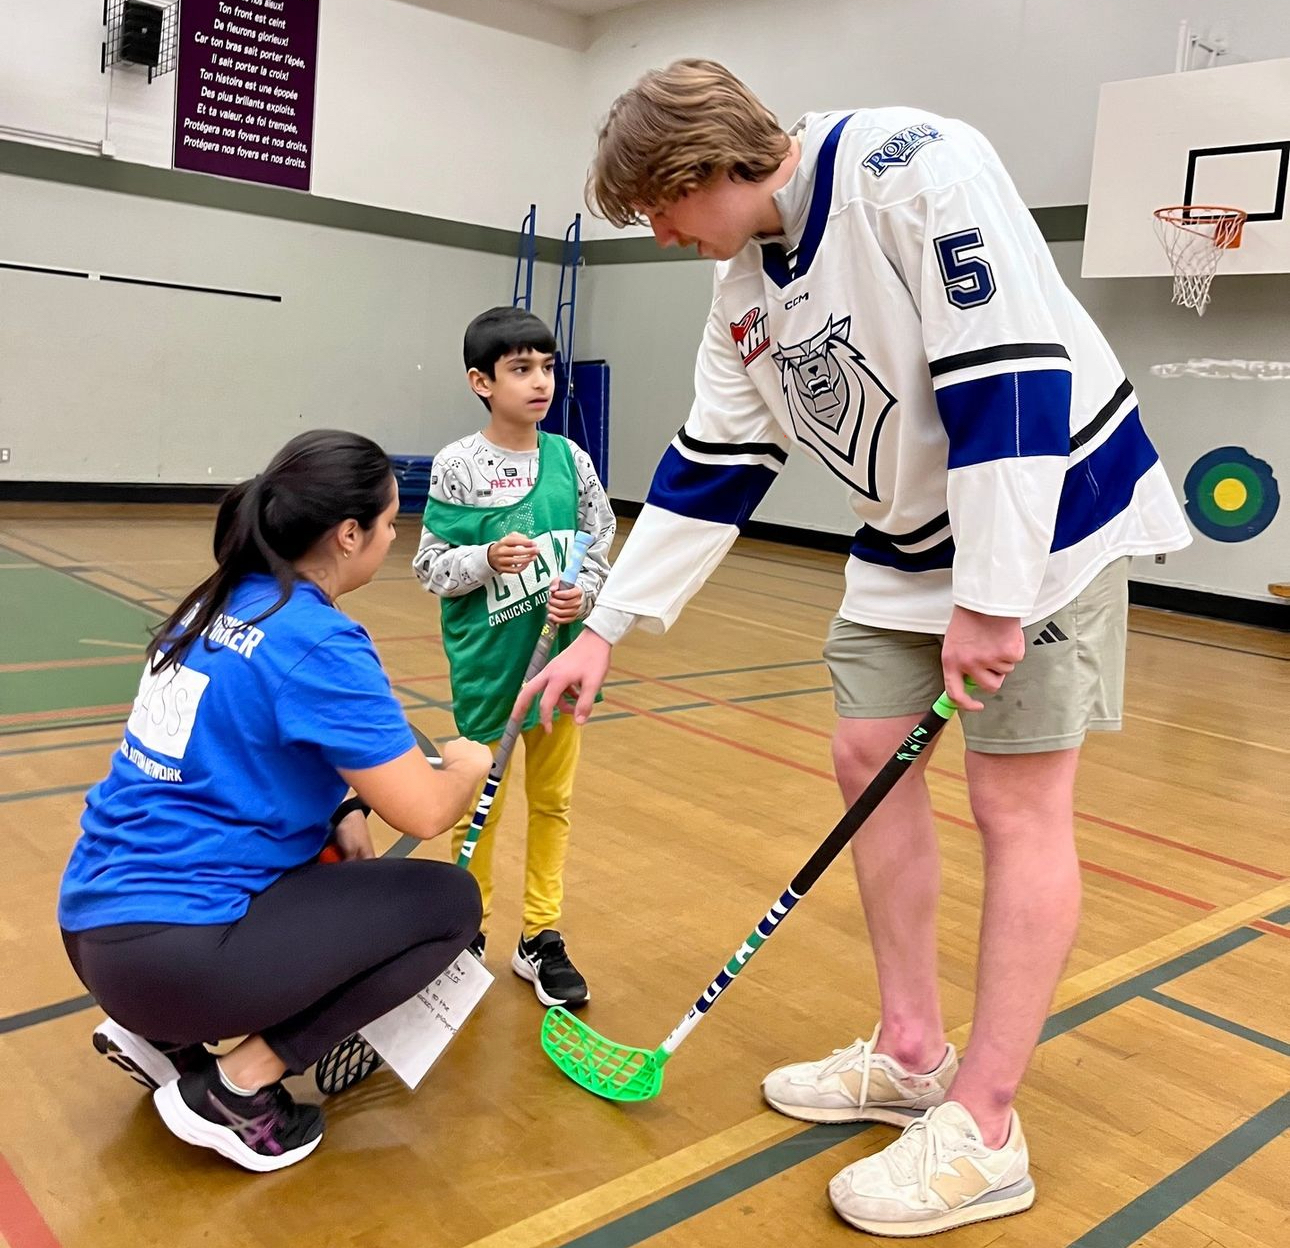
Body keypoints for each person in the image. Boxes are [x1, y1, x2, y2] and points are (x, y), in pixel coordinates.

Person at [518, 60, 1191, 1237]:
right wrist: (608, 630)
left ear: (702, 169)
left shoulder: (911, 168)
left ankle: (985, 1126)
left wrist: (992, 593)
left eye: (661, 211)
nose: (663, 236)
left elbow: (1013, 377)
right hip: (912, 542)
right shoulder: (741, 291)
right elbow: (714, 465)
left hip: (1047, 518)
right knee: (864, 756)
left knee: (1016, 806)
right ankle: (914, 1048)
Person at [58, 430, 494, 1173]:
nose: (393, 537)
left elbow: (233, 752)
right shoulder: (316, 639)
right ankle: (239, 1090)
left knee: (333, 865)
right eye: (391, 524)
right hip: (180, 956)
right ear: (348, 533)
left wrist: (341, 809)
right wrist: (467, 762)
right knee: (448, 903)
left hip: (94, 930)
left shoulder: (218, 603)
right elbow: (423, 812)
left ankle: (161, 1038)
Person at [413, 307, 615, 1007]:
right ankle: (463, 930)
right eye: (520, 369)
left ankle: (540, 937)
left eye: (547, 367)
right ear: (481, 381)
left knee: (552, 803)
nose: (540, 382)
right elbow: (432, 568)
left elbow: (599, 546)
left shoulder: (571, 461)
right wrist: (486, 558)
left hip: (555, 669)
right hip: (488, 670)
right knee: (480, 806)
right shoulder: (458, 466)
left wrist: (583, 599)